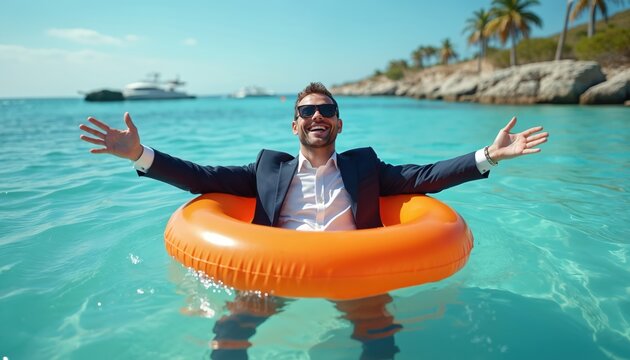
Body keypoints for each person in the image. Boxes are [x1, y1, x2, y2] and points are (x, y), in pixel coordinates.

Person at [79, 82, 548, 358]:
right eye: (307, 111)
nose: (317, 116)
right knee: (229, 336)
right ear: (295, 125)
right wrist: (139, 154)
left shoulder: (366, 168)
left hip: (356, 274)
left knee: (381, 341)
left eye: (326, 110)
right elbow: (201, 176)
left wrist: (490, 154)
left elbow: (424, 176)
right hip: (274, 272)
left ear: (339, 124)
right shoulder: (266, 169)